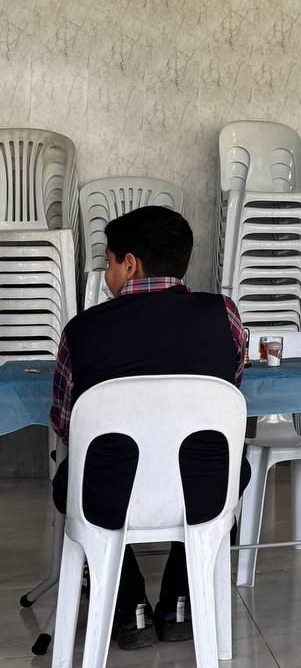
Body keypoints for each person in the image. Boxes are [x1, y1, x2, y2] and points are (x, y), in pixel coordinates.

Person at [49, 206, 249, 651]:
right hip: (202, 491)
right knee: (233, 469)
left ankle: (129, 609)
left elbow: (68, 426)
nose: (106, 273)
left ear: (130, 264)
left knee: (74, 480)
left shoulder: (81, 331)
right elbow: (227, 398)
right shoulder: (224, 315)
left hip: (110, 496)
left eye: (107, 261)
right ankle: (180, 601)